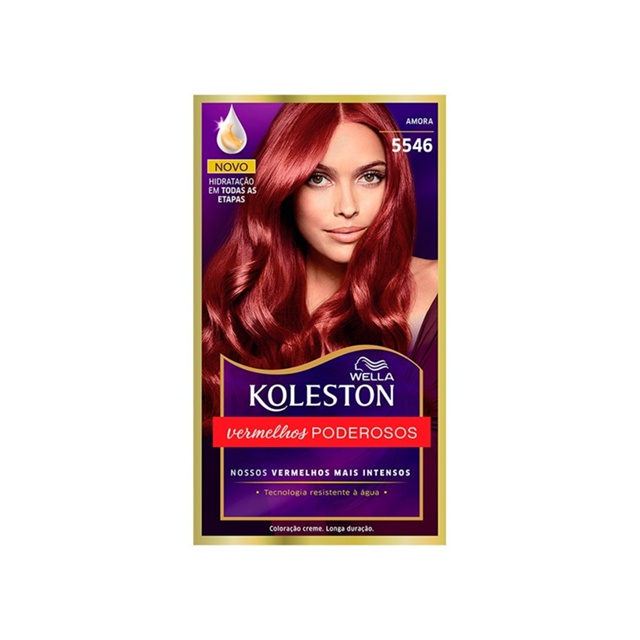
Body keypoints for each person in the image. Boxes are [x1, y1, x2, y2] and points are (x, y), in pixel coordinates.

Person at [202, 103, 438, 427]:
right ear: (284, 186)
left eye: (370, 177)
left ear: (393, 183)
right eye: (318, 178)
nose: (348, 207)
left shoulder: (440, 289)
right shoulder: (239, 306)